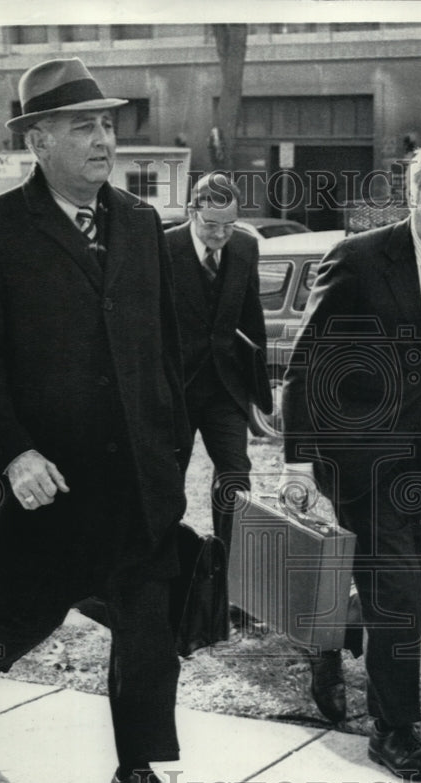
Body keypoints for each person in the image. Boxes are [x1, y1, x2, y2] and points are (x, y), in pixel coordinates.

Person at [0, 57, 195, 783]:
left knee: (150, 618)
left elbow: (165, 349)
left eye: (107, 124)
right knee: (28, 614)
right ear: (37, 140)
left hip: (139, 479)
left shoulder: (144, 225)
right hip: (46, 481)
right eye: (82, 126)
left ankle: (137, 776)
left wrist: (172, 447)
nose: (103, 140)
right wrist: (13, 454)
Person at [279, 138, 421, 780]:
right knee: (399, 592)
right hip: (360, 455)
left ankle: (333, 626)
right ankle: (394, 732)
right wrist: (297, 464)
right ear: (413, 192)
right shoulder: (359, 258)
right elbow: (306, 362)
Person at [165, 172, 267, 629]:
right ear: (192, 212)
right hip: (176, 389)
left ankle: (232, 587)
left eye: (230, 224)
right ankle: (166, 579)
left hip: (225, 388)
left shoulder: (245, 247)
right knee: (167, 484)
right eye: (212, 225)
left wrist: (260, 393)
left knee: (236, 481)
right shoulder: (162, 249)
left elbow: (252, 318)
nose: (222, 235)